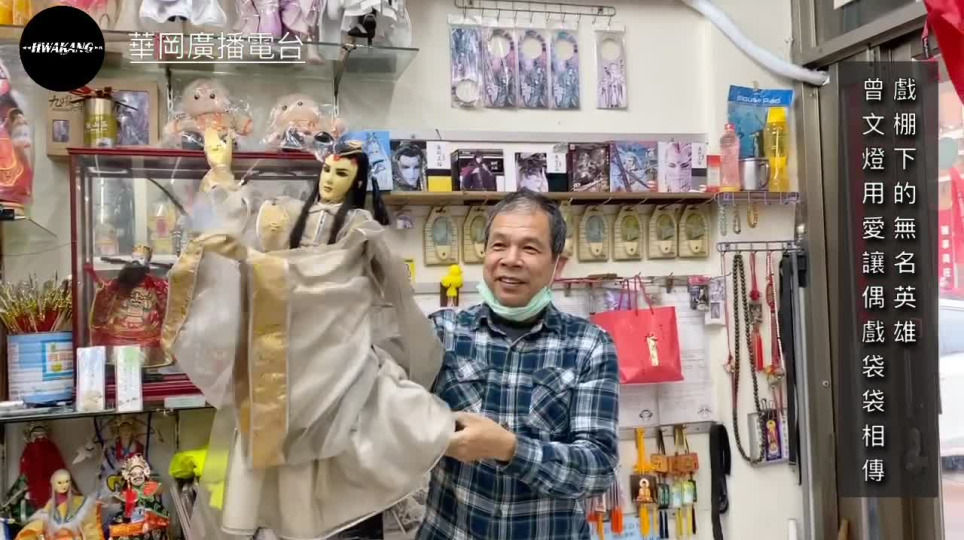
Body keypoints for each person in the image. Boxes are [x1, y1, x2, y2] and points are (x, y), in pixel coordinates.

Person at [418, 189, 619, 540]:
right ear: (485, 254)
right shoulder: (442, 332)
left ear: (558, 264)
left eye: (529, 248)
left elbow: (597, 469)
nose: (510, 259)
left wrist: (509, 449)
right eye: (499, 245)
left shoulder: (589, 346)